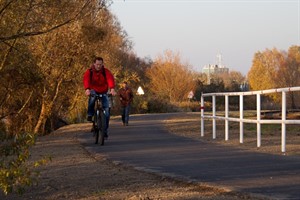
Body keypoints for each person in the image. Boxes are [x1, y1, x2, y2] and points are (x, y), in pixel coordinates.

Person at [83, 57, 116, 137]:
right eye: (97, 64)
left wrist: (112, 89)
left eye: (100, 65)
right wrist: (87, 89)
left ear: (102, 64)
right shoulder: (89, 71)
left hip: (103, 91)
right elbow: (86, 80)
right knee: (93, 97)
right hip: (93, 90)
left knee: (107, 111)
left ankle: (104, 130)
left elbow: (110, 79)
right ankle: (90, 114)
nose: (99, 66)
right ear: (94, 64)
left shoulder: (105, 71)